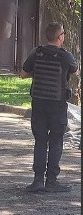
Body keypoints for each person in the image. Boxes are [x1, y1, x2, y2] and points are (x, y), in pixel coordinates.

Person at [19, 21, 78, 193]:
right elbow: (75, 70)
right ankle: (51, 180)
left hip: (38, 104)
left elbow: (23, 73)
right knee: (56, 142)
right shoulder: (65, 56)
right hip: (57, 105)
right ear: (60, 37)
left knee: (40, 141)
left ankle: (38, 181)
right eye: (63, 34)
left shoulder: (36, 53)